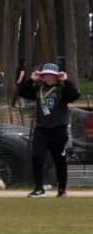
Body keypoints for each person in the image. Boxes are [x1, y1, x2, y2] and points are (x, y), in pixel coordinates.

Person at [27, 63, 77, 198]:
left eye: (51, 74)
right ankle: (38, 188)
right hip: (41, 129)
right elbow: (23, 92)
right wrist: (32, 79)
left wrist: (66, 80)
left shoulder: (62, 89)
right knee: (37, 157)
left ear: (56, 76)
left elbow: (74, 95)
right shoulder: (39, 88)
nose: (48, 77)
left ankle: (62, 189)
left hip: (58, 129)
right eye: (45, 74)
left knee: (59, 160)